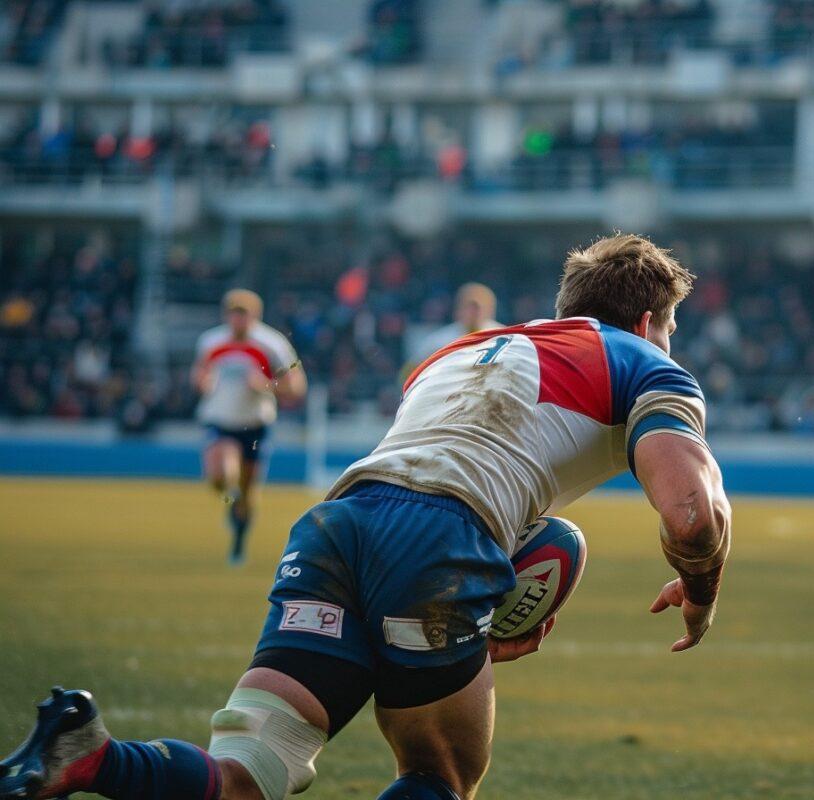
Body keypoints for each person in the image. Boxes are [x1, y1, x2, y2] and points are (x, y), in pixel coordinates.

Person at [0, 233, 732, 800]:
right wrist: (699, 593)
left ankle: (91, 754)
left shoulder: (457, 350)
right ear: (647, 322)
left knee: (250, 770)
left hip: (338, 526)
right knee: (439, 775)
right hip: (442, 538)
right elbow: (693, 513)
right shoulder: (645, 361)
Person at [192, 289, 307, 564]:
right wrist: (202, 383)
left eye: (243, 315)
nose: (237, 321)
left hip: (255, 424)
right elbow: (199, 372)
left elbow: (296, 386)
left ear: (255, 316)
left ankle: (238, 541)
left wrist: (266, 385)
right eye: (233, 314)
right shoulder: (210, 341)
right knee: (220, 474)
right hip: (219, 420)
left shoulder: (273, 344)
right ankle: (229, 497)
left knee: (247, 491)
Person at [404, 282, 501, 372]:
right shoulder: (437, 342)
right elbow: (410, 372)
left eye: (480, 307)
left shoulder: (506, 339)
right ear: (458, 309)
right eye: (470, 307)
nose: (475, 312)